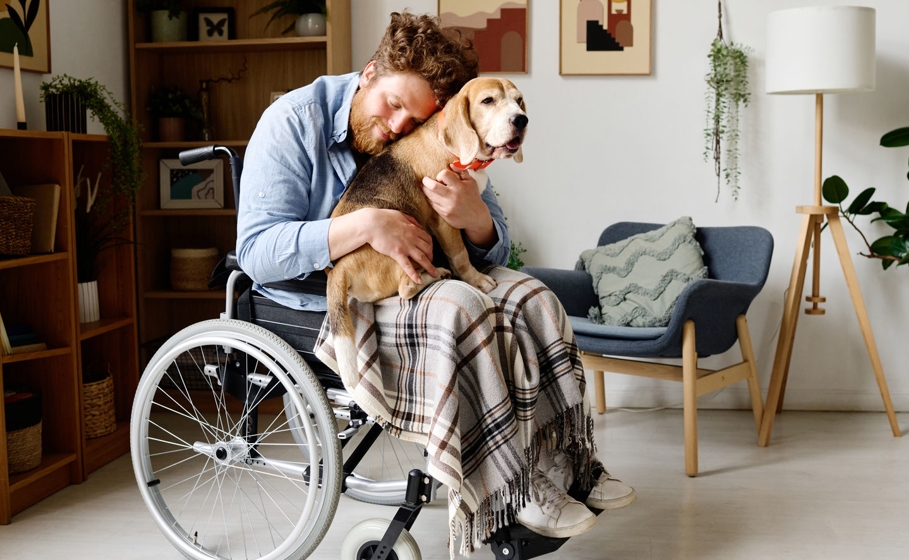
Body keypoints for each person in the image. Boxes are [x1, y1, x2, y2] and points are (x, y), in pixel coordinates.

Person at [237, 11, 635, 557]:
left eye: (416, 118)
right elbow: (256, 253)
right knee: (462, 308)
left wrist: (476, 215)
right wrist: (364, 226)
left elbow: (494, 247)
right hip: (315, 297)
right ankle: (508, 488)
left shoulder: (439, 130)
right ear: (370, 73)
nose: (399, 125)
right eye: (392, 104)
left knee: (533, 295)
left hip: (415, 272)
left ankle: (569, 460)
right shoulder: (292, 122)